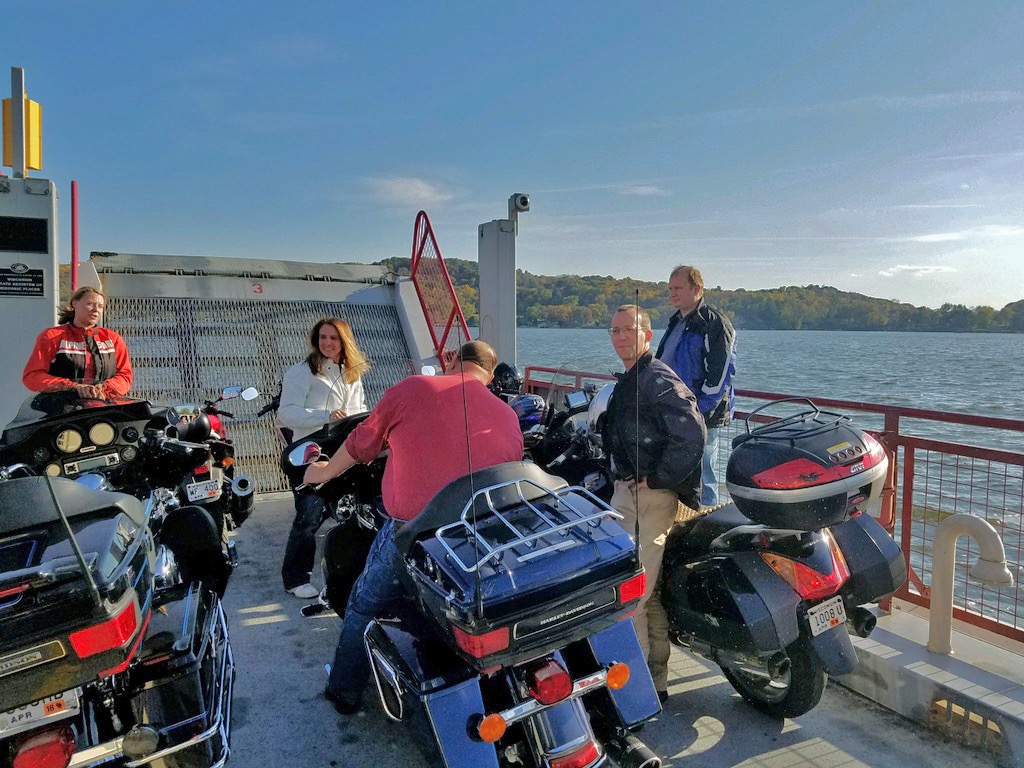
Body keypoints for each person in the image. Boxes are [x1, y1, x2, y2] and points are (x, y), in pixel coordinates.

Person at [303, 340, 523, 715]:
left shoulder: (415, 387)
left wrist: (321, 471)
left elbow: (361, 443)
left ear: (452, 359)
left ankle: (344, 692)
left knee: (364, 604)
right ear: (489, 375)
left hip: (415, 532)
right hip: (482, 533)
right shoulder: (505, 413)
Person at [602, 304, 705, 703]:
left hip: (649, 496)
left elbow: (692, 434)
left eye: (629, 329)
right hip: (629, 491)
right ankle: (655, 681)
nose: (621, 337)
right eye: (615, 330)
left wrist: (658, 478)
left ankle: (636, 690)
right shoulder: (633, 377)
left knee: (632, 589)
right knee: (648, 590)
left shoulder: (657, 378)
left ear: (647, 333)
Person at [277, 317, 371, 599]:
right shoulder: (301, 372)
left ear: (344, 342)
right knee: (309, 513)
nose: (327, 343)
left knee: (358, 508)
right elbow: (287, 414)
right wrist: (325, 417)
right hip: (310, 449)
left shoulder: (352, 372)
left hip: (344, 447)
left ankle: (355, 571)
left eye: (334, 338)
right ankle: (295, 579)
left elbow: (359, 408)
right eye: (323, 337)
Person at [655, 265, 737, 507]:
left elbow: (721, 375)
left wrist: (698, 410)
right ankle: (684, 517)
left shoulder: (714, 323)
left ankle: (707, 521)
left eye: (679, 288)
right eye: (670, 288)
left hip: (702, 414)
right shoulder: (677, 321)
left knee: (704, 472)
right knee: (679, 469)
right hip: (675, 410)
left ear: (697, 289)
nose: (672, 293)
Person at [23, 285, 133, 399]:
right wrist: (74, 387)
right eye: (90, 304)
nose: (96, 309)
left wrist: (104, 388)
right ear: (74, 304)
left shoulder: (112, 338)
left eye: (100, 306)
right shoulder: (52, 336)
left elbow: (125, 376)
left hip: (103, 408)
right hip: (61, 408)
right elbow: (32, 376)